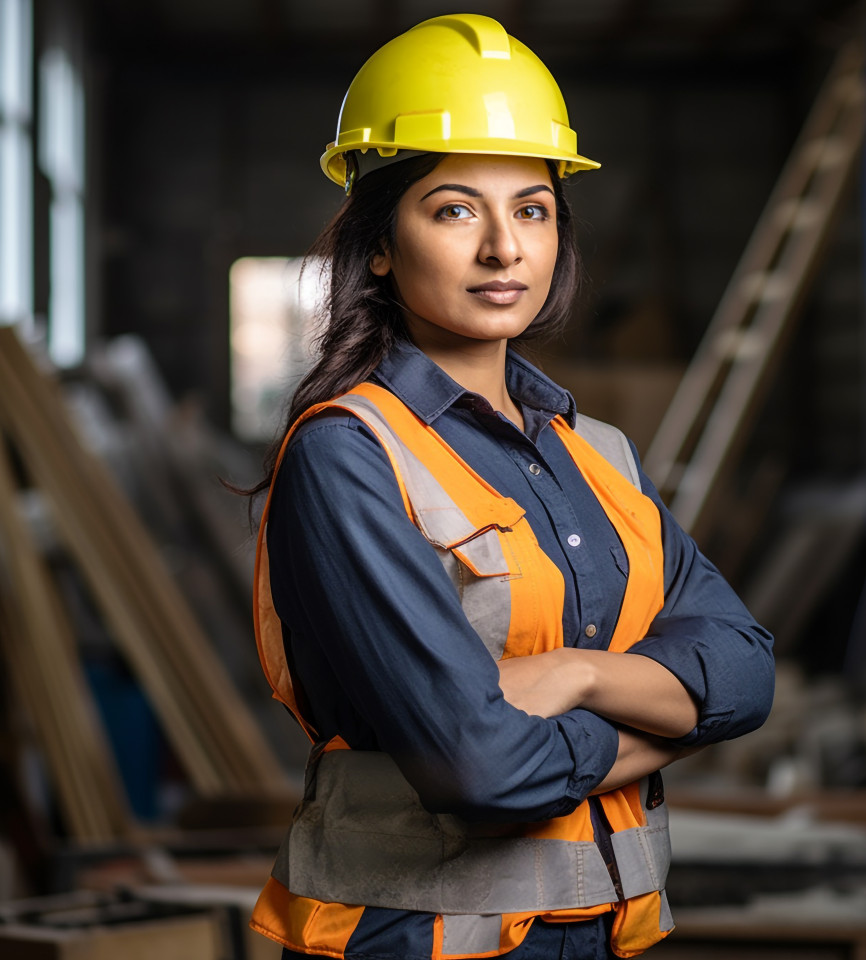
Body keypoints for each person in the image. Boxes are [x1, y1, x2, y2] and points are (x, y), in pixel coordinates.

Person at [248, 13, 774, 960]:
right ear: (378, 243)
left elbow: (747, 670)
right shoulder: (348, 457)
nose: (504, 249)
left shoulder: (597, 453)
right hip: (410, 941)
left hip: (607, 940)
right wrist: (666, 718)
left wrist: (575, 674)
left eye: (531, 208)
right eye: (455, 210)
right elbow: (482, 769)